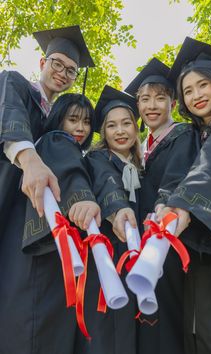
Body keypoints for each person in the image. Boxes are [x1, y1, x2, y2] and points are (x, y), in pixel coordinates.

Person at [0, 92, 100, 354]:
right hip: (42, 256)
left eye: (87, 122)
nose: (80, 128)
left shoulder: (39, 145)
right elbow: (72, 173)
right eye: (73, 119)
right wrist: (84, 198)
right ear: (59, 119)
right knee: (39, 330)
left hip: (25, 246)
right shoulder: (58, 139)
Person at [157, 37, 211, 354]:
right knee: (200, 322)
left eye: (202, 85)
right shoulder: (188, 136)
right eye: (187, 91)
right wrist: (165, 203)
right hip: (200, 241)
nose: (196, 95)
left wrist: (183, 206)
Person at [124, 57, 200, 354]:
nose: (151, 106)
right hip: (144, 243)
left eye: (160, 98)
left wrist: (160, 213)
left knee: (167, 314)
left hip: (167, 239)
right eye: (144, 99)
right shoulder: (142, 147)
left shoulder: (184, 135)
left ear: (172, 101)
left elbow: (177, 179)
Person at [0, 24, 94, 240]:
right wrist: (30, 160)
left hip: (26, 209)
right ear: (43, 63)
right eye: (57, 64)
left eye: (71, 70)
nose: (62, 73)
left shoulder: (55, 119)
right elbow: (9, 112)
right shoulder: (15, 83)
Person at [77, 85, 141, 354]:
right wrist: (118, 210)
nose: (120, 131)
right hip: (107, 256)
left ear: (136, 129)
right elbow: (106, 182)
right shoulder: (97, 158)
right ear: (103, 132)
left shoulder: (140, 168)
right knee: (105, 328)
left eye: (127, 123)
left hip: (134, 259)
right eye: (112, 125)